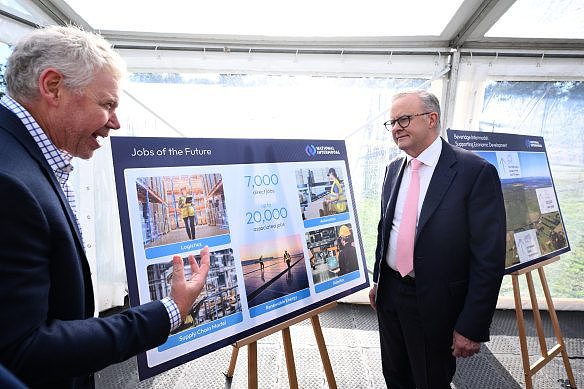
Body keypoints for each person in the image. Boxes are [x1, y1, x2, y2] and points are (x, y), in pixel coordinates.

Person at [0, 26, 211, 388]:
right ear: (52, 87)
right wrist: (170, 310)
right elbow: (22, 348)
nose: (114, 122)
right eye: (107, 104)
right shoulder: (9, 183)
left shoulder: (20, 154)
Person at [369, 90, 506, 388]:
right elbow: (386, 229)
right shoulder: (394, 170)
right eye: (391, 122)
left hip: (437, 304)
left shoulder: (475, 172)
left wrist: (472, 325)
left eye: (403, 119)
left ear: (432, 119)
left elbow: (489, 258)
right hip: (391, 294)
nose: (395, 128)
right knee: (394, 375)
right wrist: (379, 280)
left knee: (430, 380)